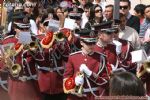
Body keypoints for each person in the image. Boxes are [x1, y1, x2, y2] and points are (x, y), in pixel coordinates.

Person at [2, 11, 42, 100]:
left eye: (27, 28)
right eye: (22, 28)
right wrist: (6, 60)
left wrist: (35, 51)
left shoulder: (34, 40)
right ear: (14, 28)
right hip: (15, 84)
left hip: (32, 84)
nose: (25, 31)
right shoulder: (8, 41)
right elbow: (3, 67)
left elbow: (42, 63)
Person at [63, 29, 111, 100]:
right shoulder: (73, 57)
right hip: (75, 96)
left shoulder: (101, 58)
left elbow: (106, 81)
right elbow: (66, 78)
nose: (92, 45)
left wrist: (91, 74)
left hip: (92, 96)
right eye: (88, 43)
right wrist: (74, 81)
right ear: (81, 42)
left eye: (93, 43)